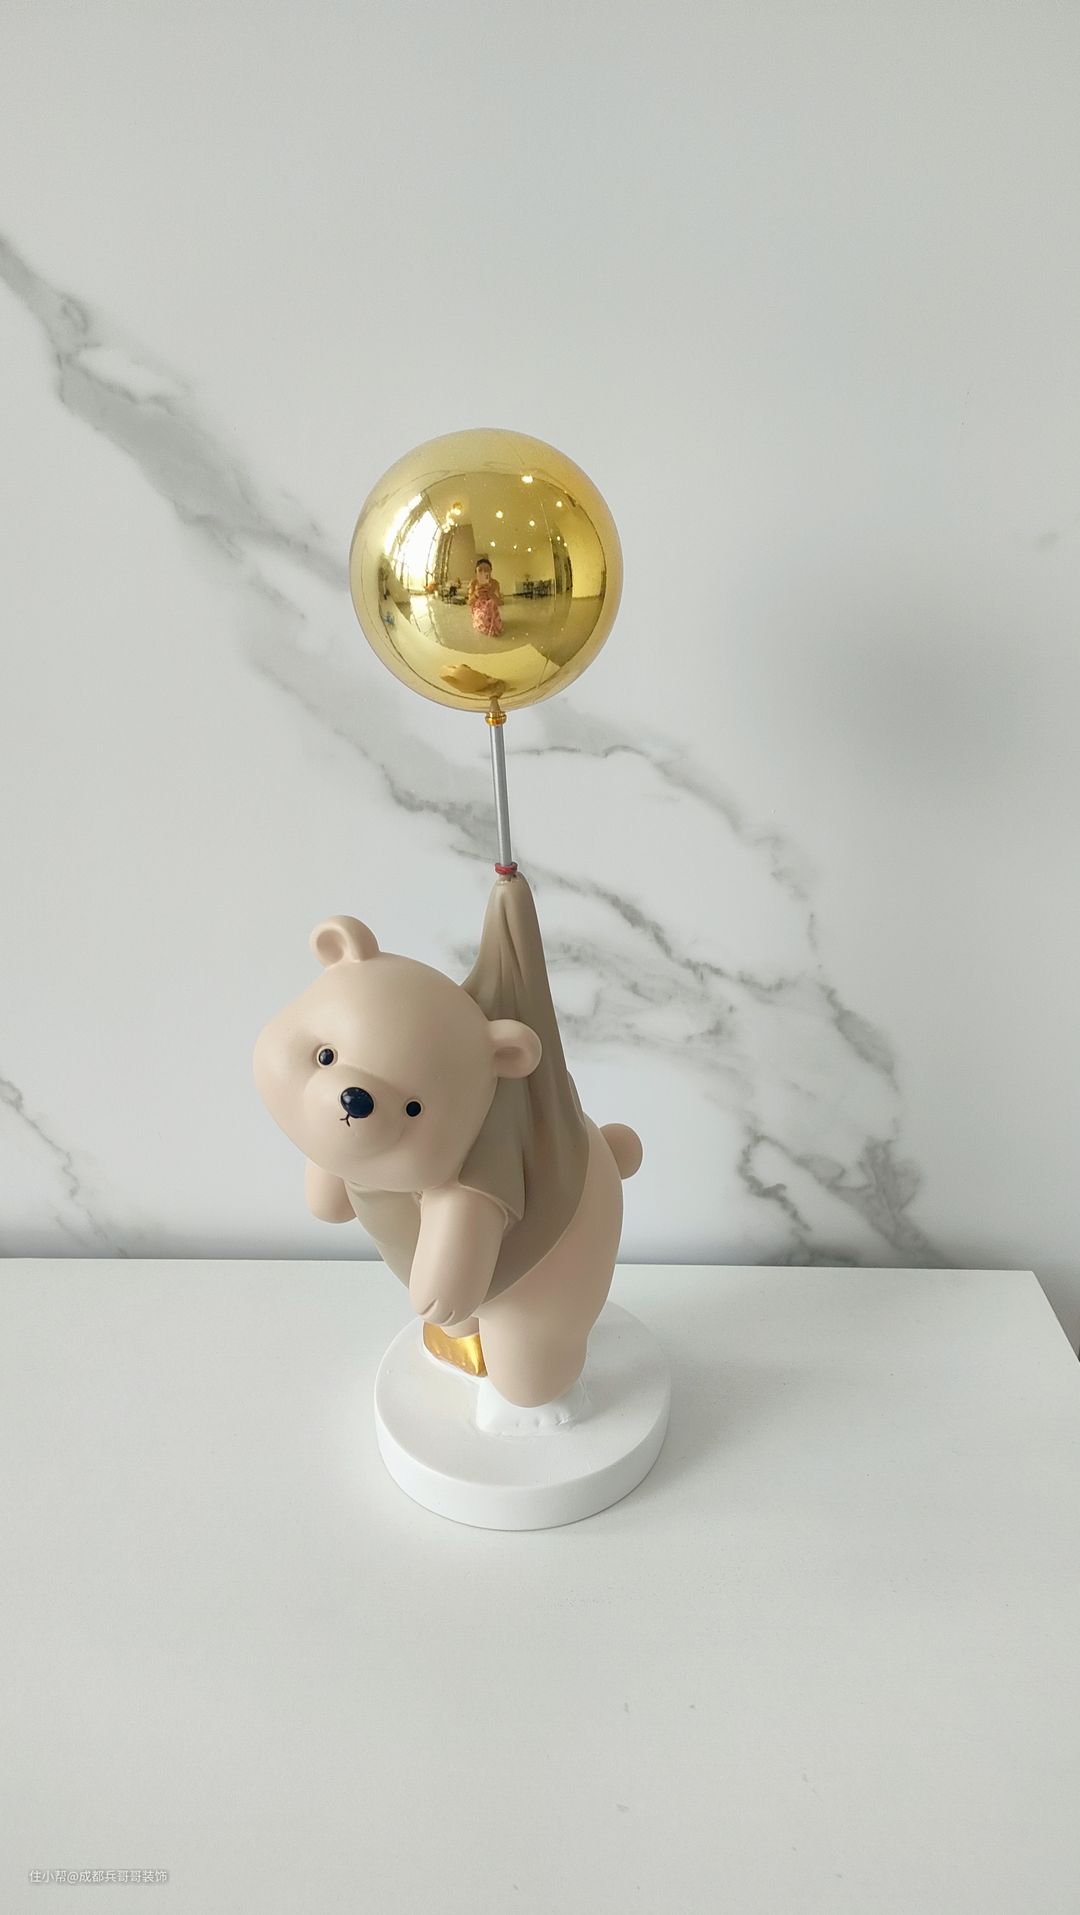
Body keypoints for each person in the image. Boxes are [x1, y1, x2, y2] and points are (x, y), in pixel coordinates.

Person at [467, 556, 503, 637]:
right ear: (476, 572)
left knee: (491, 603)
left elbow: (500, 603)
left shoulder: (495, 583)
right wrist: (476, 594)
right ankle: (486, 626)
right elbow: (469, 603)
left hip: (491, 608)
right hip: (478, 608)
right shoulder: (473, 583)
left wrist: (491, 594)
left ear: (490, 571)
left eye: (486, 570)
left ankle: (492, 627)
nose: (483, 572)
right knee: (483, 616)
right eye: (480, 570)